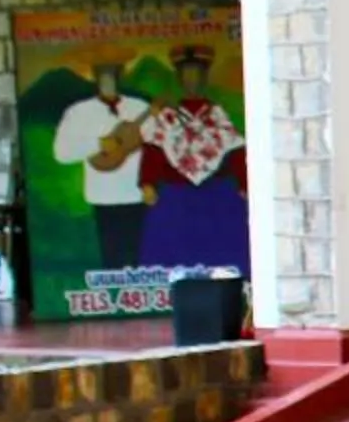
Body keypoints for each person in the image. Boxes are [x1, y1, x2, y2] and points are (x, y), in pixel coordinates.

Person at [137, 46, 249, 274]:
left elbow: (236, 150)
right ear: (179, 79)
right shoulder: (168, 117)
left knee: (222, 247)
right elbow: (153, 150)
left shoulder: (217, 116)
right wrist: (147, 183)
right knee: (172, 247)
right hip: (176, 196)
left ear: (204, 78)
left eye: (197, 74)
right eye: (187, 75)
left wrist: (244, 184)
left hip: (215, 194)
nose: (192, 80)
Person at [49, 58, 150, 271]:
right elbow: (62, 152)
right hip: (103, 194)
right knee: (111, 251)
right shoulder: (78, 111)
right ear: (94, 77)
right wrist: (98, 144)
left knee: (137, 250)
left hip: (137, 192)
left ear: (121, 75)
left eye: (113, 73)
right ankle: (115, 294)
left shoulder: (139, 107)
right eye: (103, 74)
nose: (108, 80)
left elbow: (158, 145)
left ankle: (137, 294)